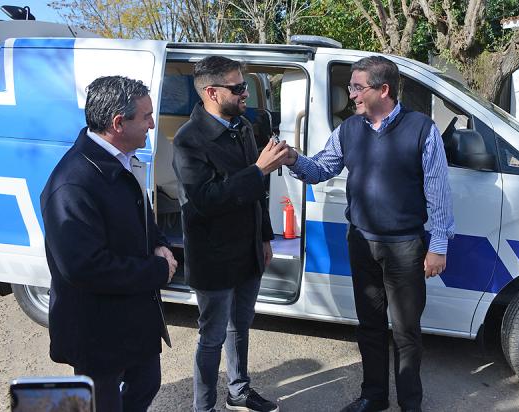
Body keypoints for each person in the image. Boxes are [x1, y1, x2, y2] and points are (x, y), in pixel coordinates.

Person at [283, 56, 454, 412]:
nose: (352, 95)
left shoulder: (421, 129)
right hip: (361, 242)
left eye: (358, 87)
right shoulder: (348, 130)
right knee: (369, 327)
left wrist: (438, 246)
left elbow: (439, 193)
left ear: (384, 90)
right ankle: (373, 396)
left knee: (406, 333)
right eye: (352, 87)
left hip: (405, 247)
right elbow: (320, 169)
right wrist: (291, 158)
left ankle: (410, 404)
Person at [40, 76, 178, 412]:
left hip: (132, 317)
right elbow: (84, 267)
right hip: (98, 329)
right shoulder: (72, 183)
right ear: (118, 123)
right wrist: (158, 269)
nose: (152, 123)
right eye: (145, 116)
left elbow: (140, 214)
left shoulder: (118, 160)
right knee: (103, 404)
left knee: (147, 382)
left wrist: (159, 243)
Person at [172, 56, 287, 412]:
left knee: (242, 325)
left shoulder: (242, 126)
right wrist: (257, 171)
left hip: (248, 249)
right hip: (215, 255)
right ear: (211, 92)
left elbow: (257, 196)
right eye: (237, 88)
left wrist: (265, 237)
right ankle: (203, 406)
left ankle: (238, 390)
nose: (245, 95)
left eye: (245, 87)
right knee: (213, 336)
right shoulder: (189, 140)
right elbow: (205, 200)